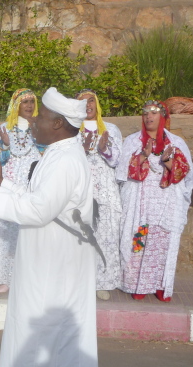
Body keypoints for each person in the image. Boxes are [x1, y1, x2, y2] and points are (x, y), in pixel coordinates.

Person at [0, 87, 100, 367]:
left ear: (57, 124)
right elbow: (34, 196)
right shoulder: (57, 153)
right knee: (52, 329)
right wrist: (3, 185)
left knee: (58, 329)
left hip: (58, 259)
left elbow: (39, 210)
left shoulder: (66, 160)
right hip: (48, 254)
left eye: (41, 116)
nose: (34, 120)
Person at [116, 100, 193, 302]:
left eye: (153, 113)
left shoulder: (176, 143)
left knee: (161, 244)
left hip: (165, 205)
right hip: (140, 205)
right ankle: (137, 285)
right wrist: (143, 155)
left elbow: (186, 174)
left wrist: (168, 162)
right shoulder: (133, 141)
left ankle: (161, 286)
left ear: (163, 116)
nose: (148, 117)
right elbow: (122, 172)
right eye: (145, 113)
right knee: (138, 243)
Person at [0, 89, 41, 294]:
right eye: (24, 102)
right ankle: (6, 278)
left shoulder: (41, 127)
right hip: (10, 185)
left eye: (31, 101)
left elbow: (47, 153)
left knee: (31, 231)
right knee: (7, 230)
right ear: (16, 105)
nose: (28, 105)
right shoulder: (4, 128)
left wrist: (37, 134)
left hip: (32, 184)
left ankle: (29, 279)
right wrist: (5, 145)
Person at [75, 89, 124, 300]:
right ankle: (80, 281)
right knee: (80, 234)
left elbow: (118, 160)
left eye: (91, 100)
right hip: (81, 188)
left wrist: (104, 149)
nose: (88, 105)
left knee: (105, 234)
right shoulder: (71, 129)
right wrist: (83, 149)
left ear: (97, 104)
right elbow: (66, 159)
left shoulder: (110, 129)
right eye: (83, 101)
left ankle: (102, 282)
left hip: (105, 189)